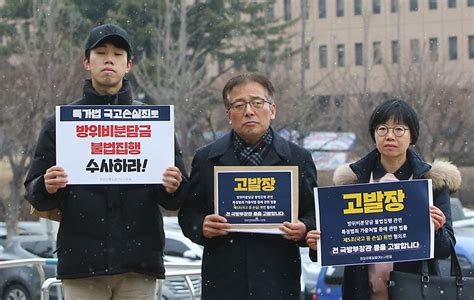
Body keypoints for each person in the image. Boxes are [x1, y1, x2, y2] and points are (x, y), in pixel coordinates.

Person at [24, 24, 187, 300]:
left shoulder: (154, 123)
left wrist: (173, 187)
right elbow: (35, 195)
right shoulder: (61, 124)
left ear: (129, 65)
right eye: (100, 52)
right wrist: (47, 186)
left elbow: (176, 198)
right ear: (87, 62)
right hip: (81, 266)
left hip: (139, 264)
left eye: (118, 54)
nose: (109, 59)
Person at [178, 73, 318, 300]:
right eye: (239, 105)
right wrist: (201, 226)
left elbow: (315, 214)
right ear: (228, 115)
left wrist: (304, 228)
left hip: (278, 280)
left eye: (257, 103)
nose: (249, 111)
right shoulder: (206, 159)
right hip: (223, 281)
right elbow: (188, 215)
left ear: (272, 110)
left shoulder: (297, 158)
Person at [306, 99, 461, 300]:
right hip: (361, 292)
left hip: (415, 292)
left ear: (412, 135)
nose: (389, 136)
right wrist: (319, 246)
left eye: (399, 129)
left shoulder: (430, 183)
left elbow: (445, 250)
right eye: (382, 129)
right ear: (374, 134)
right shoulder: (353, 183)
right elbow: (338, 245)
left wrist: (438, 229)